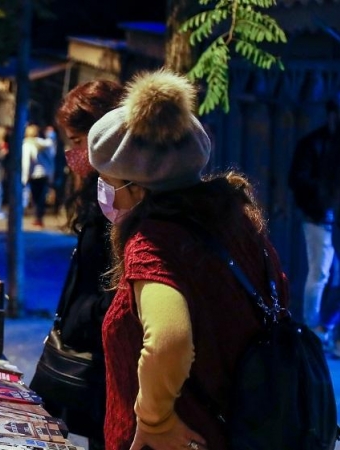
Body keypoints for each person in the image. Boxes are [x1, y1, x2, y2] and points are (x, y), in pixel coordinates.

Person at [87, 69, 290, 450]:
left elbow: (169, 339)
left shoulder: (153, 243)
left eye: (109, 183)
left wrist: (155, 419)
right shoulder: (238, 221)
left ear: (137, 189)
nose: (105, 194)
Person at [28, 80, 123, 448]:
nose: (73, 154)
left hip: (107, 360)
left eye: (77, 141)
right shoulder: (99, 192)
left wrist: (81, 319)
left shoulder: (123, 199)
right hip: (93, 349)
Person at [288, 99, 340, 347]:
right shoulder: (313, 144)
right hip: (318, 218)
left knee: (330, 276)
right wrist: (321, 201)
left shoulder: (327, 143)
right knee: (320, 273)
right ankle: (313, 329)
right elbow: (298, 179)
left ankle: (323, 330)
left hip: (330, 218)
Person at [21, 124, 55, 228]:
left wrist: (24, 178)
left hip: (34, 174)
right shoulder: (45, 144)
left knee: (35, 197)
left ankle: (37, 218)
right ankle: (39, 218)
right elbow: (51, 158)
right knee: (41, 198)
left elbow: (26, 162)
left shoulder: (27, 145)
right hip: (45, 173)